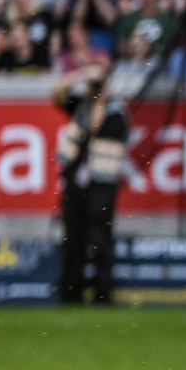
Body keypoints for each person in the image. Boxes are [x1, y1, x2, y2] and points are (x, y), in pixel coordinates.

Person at [53, 62, 126, 304]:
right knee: (72, 237)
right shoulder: (81, 105)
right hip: (76, 182)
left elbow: (95, 126)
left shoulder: (116, 110)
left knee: (100, 238)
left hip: (101, 184)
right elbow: (57, 94)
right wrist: (81, 73)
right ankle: (71, 292)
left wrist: (101, 98)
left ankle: (102, 293)